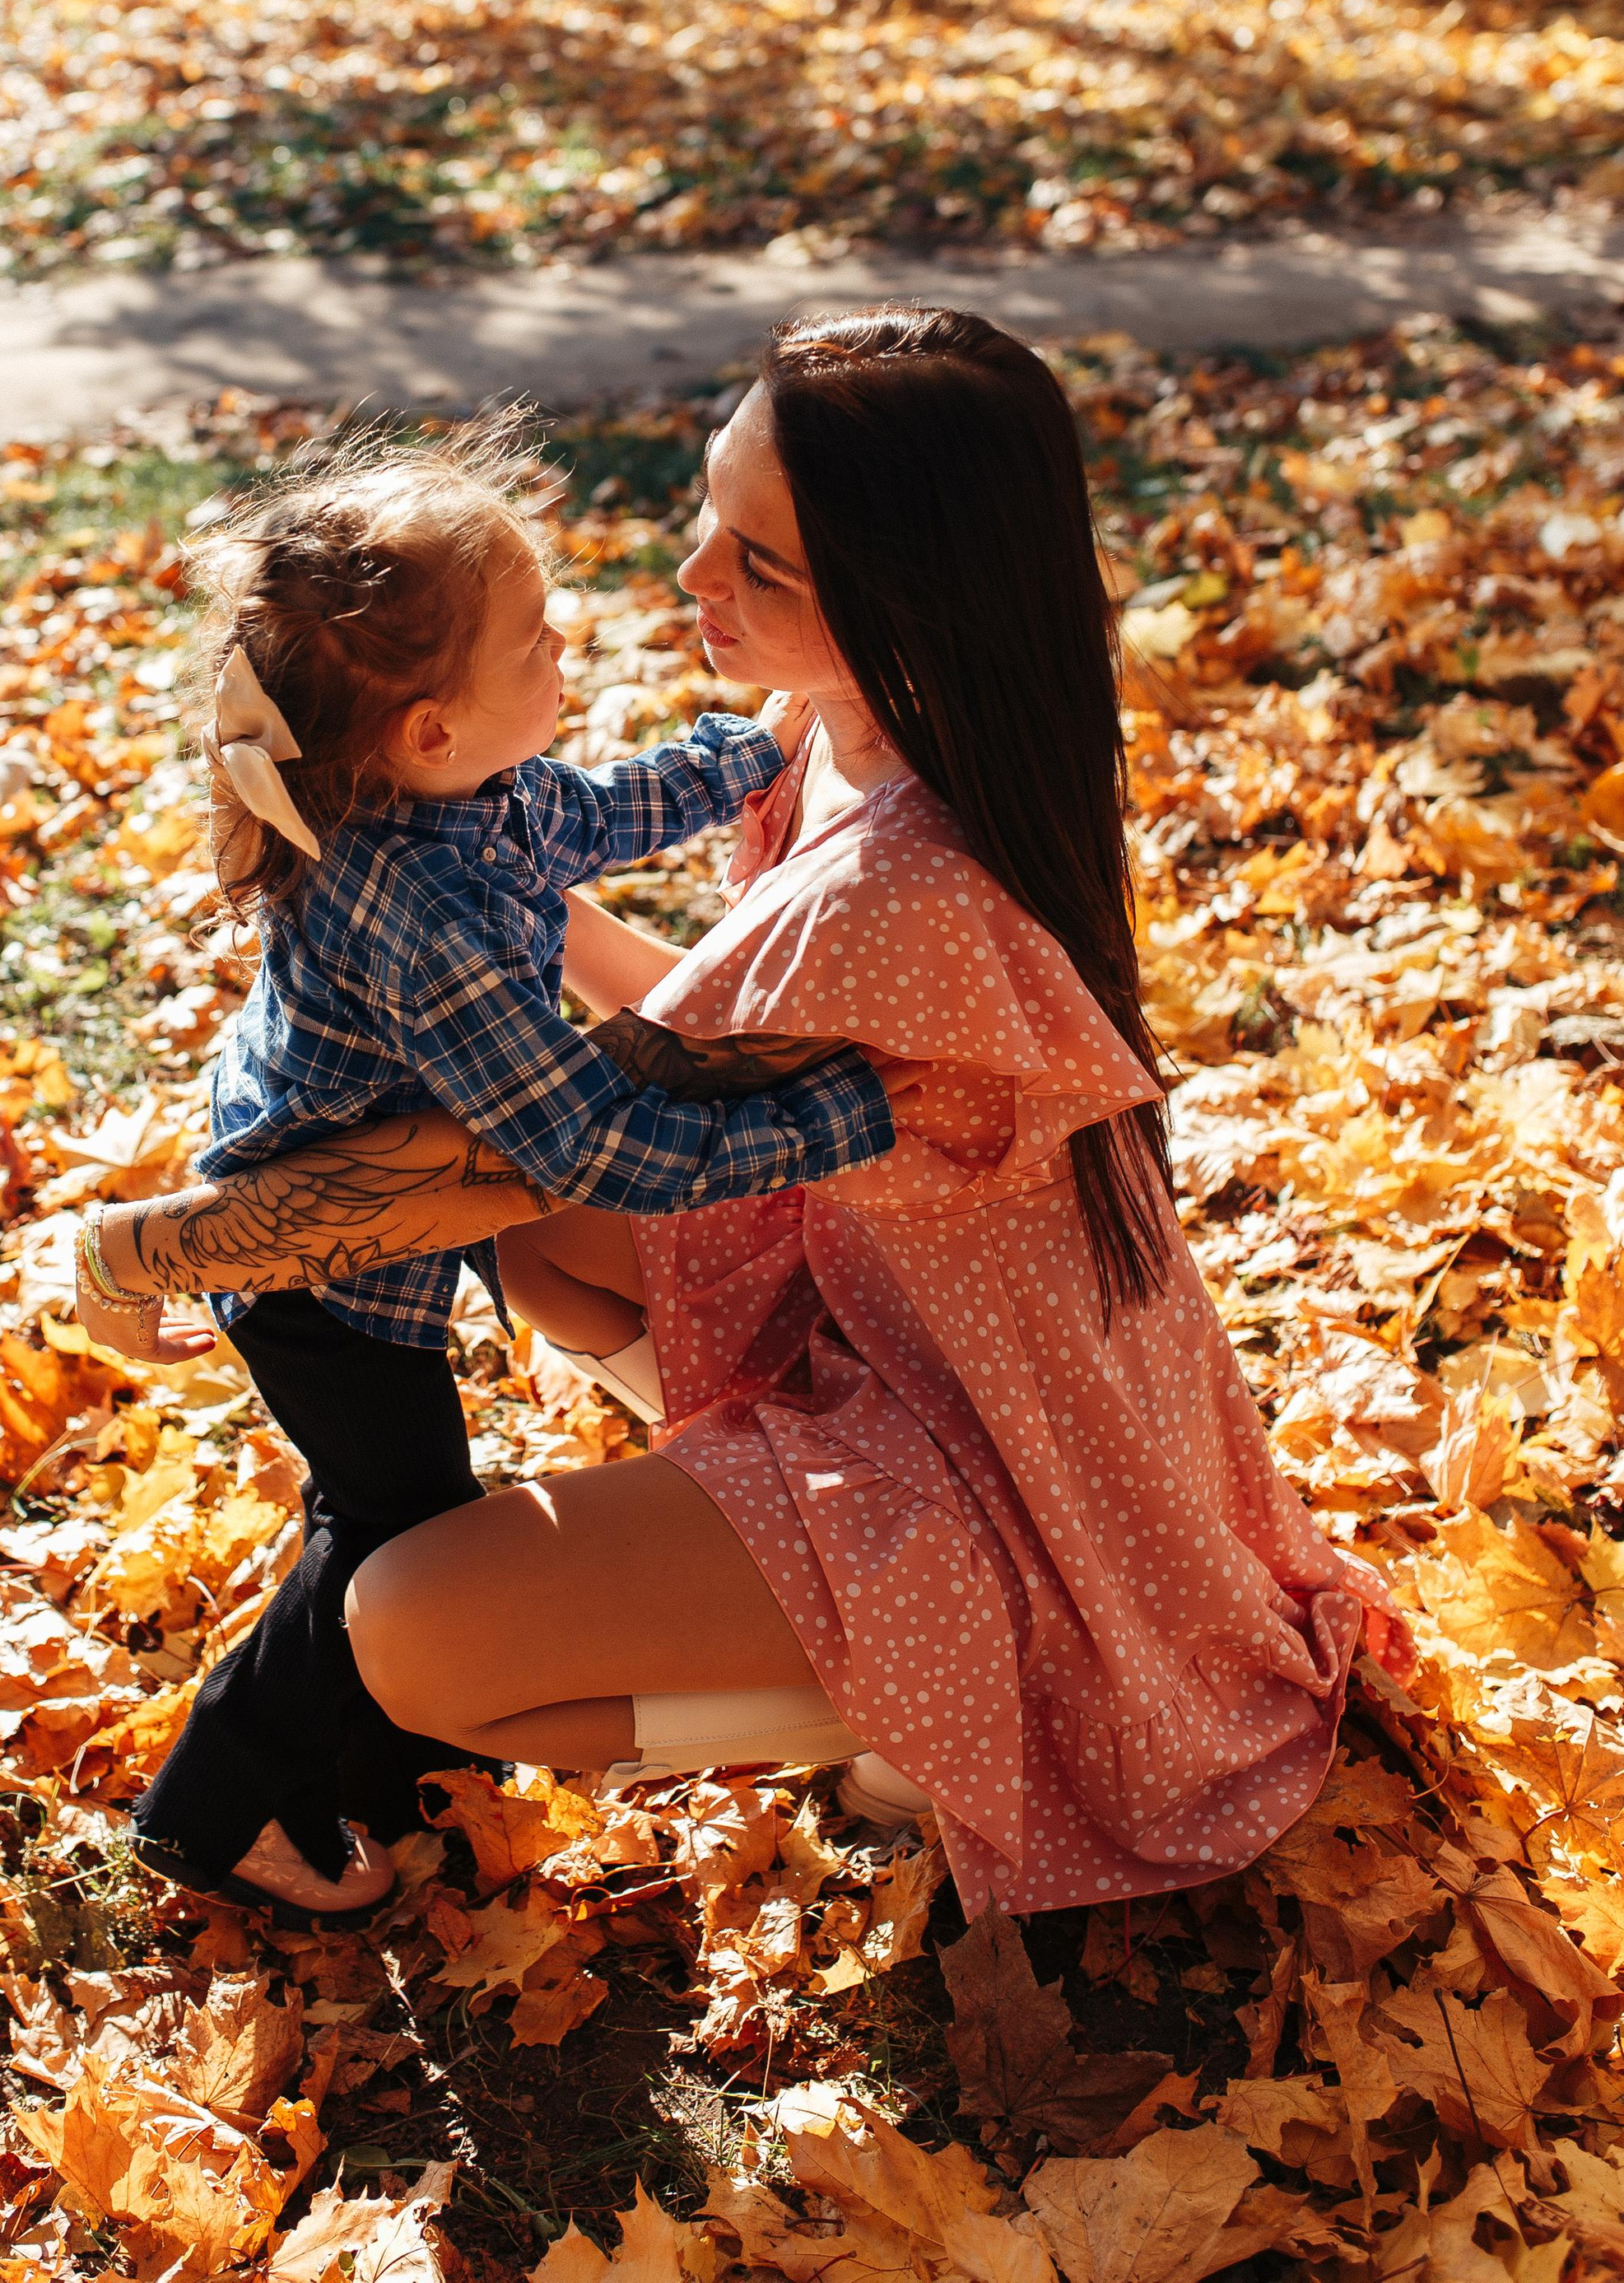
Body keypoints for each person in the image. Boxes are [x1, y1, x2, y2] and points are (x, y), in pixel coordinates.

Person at [83, 307, 1408, 1920]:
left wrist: (149, 1246)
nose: (690, 577)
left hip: (997, 1464)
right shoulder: (849, 722)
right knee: (545, 1236)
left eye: (756, 565)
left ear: (903, 586)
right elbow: (689, 1020)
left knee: (406, 1622)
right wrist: (449, 890)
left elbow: (521, 1151)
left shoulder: (905, 887)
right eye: (712, 512)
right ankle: (810, 1618)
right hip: (904, 1319)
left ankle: (928, 1706)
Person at [81, 429, 898, 1916]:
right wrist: (840, 1117)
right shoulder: (428, 913)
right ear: (429, 730)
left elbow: (604, 809)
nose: (566, 641)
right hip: (322, 1263)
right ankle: (213, 1808)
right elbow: (589, 1143)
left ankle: (380, 1777)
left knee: (399, 1509)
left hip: (383, 1219)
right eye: (534, 638)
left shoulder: (462, 798)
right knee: (390, 1528)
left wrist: (757, 748)